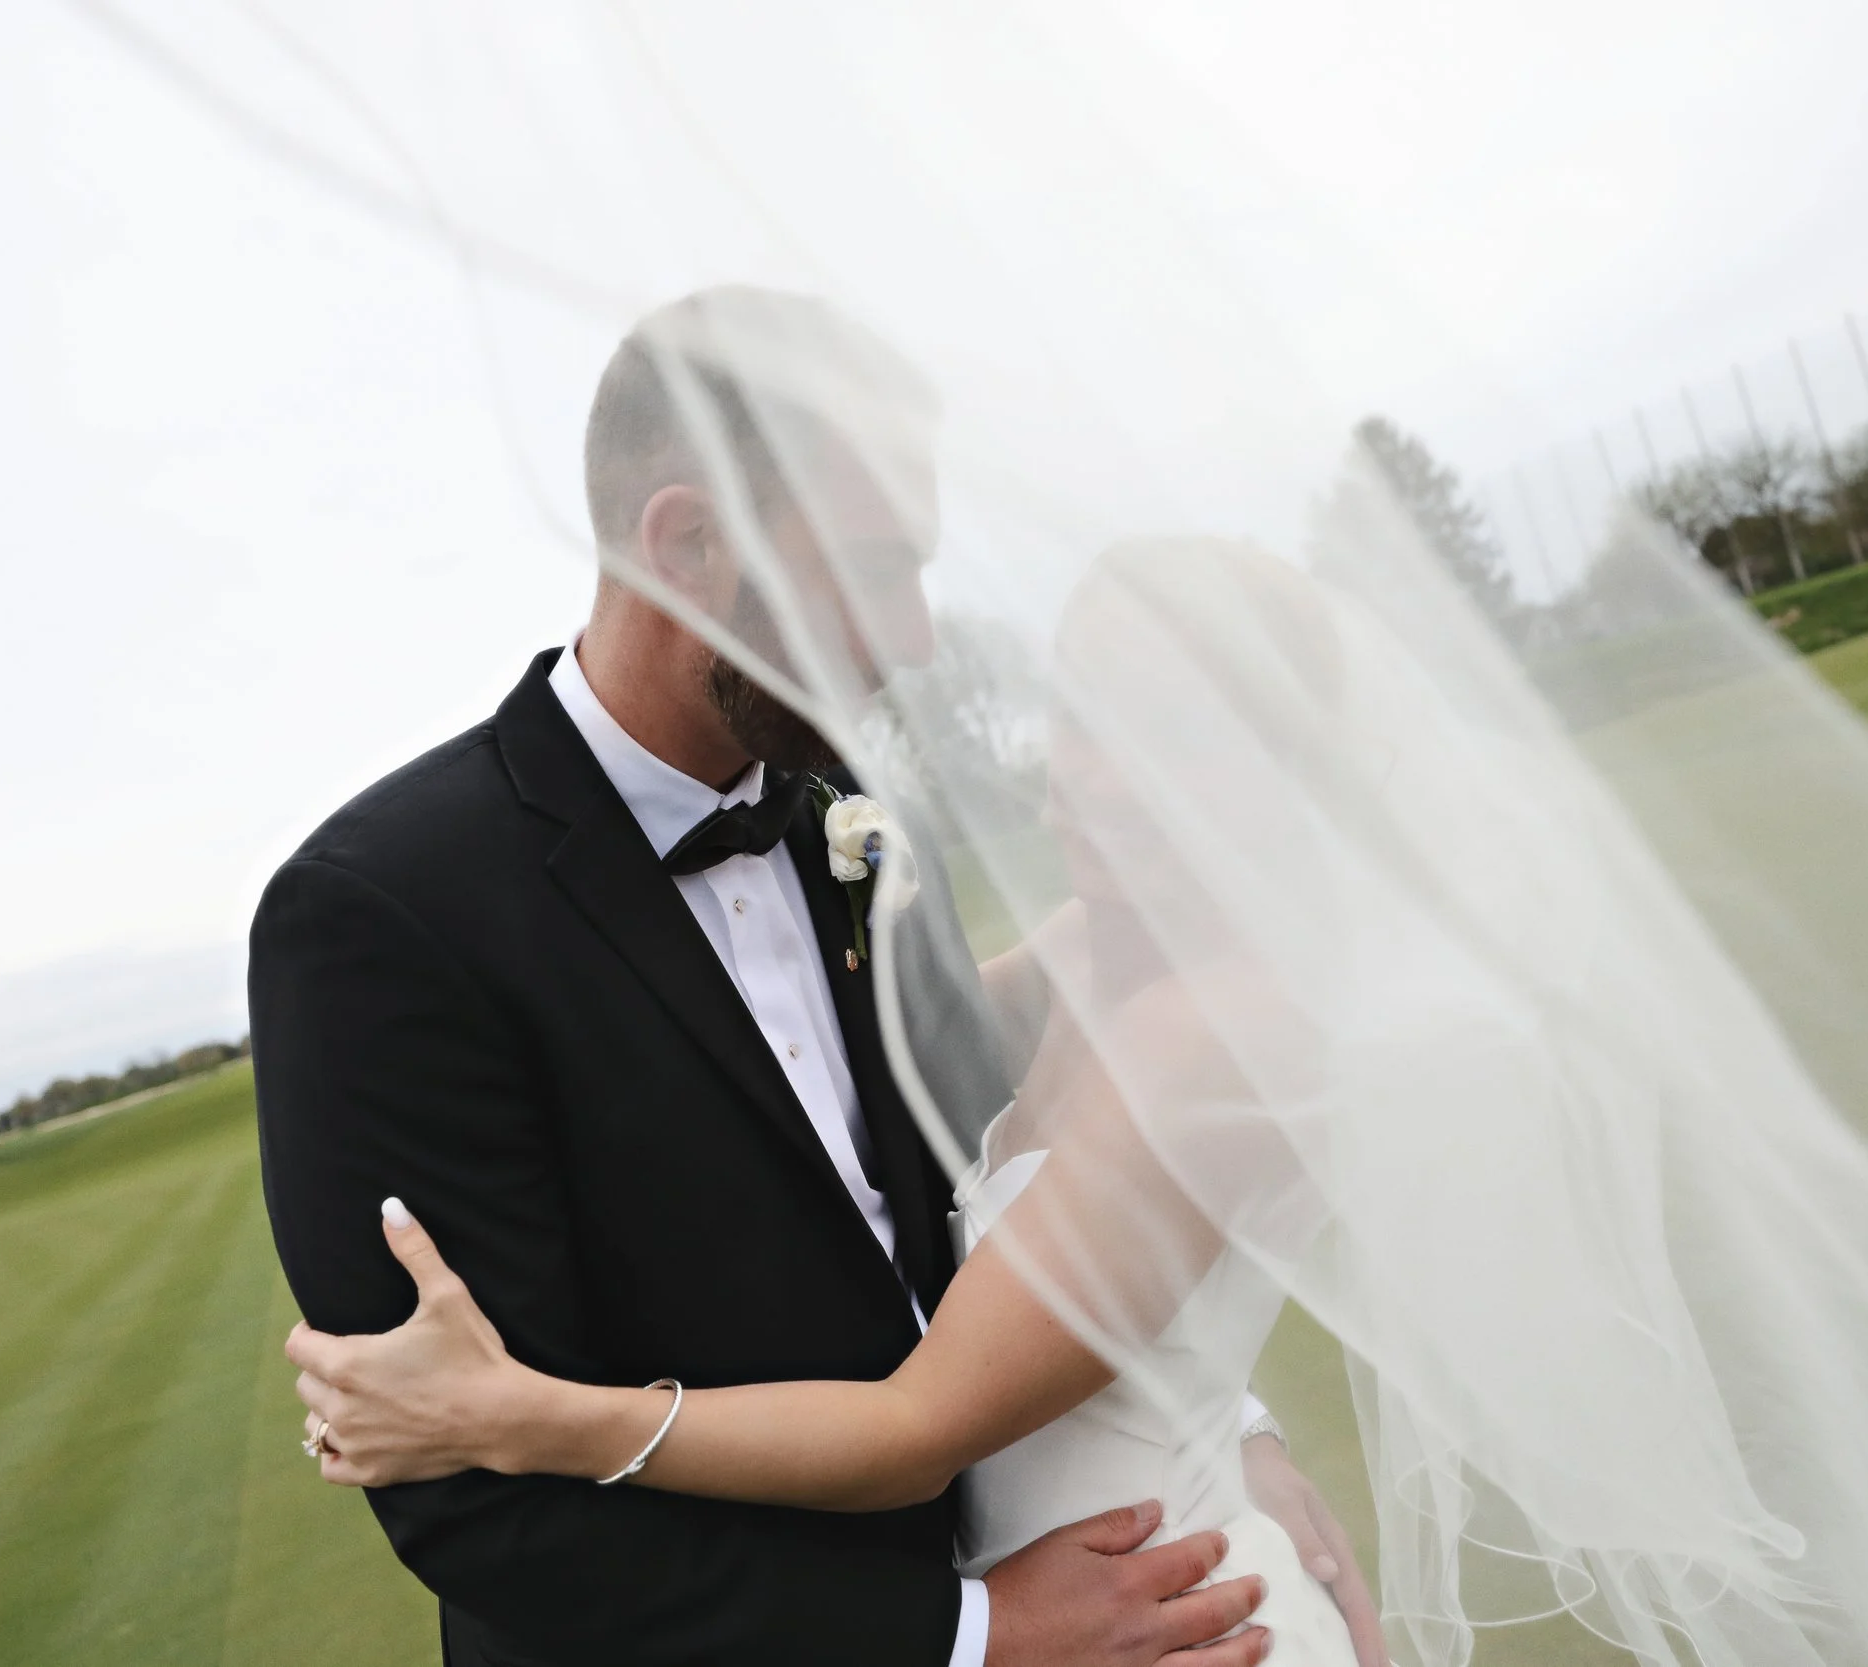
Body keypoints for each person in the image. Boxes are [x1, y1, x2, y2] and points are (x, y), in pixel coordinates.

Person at [250, 292, 1370, 1667]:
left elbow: (1021, 1163)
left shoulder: (850, 803)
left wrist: (1219, 1429)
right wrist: (965, 1636)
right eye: (875, 566)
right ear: (685, 543)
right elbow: (488, 1515)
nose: (911, 638)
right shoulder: (381, 918)